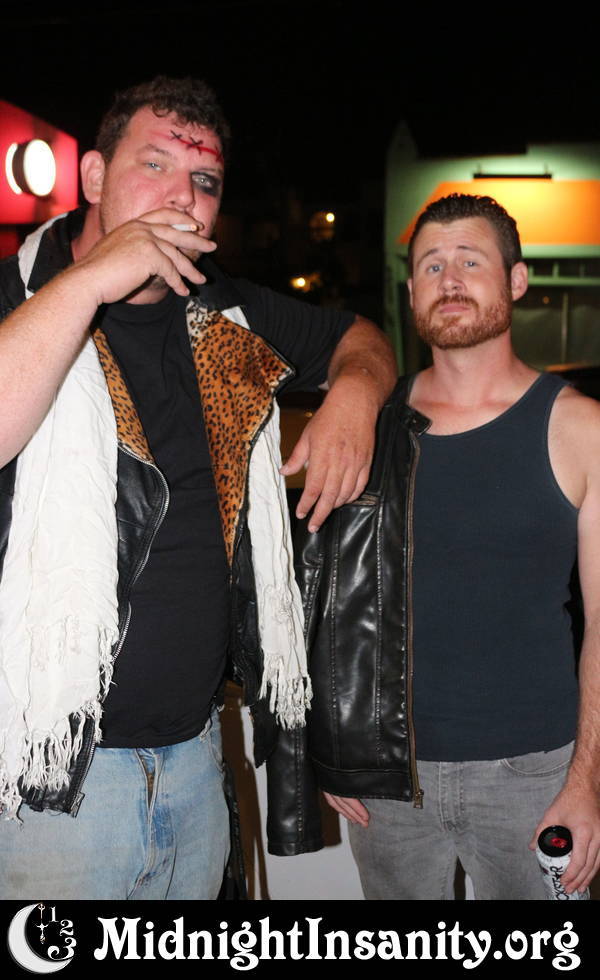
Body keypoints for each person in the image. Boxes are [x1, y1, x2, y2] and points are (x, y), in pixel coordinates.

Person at [0, 76, 396, 900]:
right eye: (154, 164)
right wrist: (92, 281)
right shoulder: (17, 296)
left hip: (194, 759)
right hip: (47, 784)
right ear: (95, 178)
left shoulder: (224, 316)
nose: (181, 196)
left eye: (204, 180)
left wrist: (356, 396)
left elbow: (362, 337)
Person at [267, 193, 600, 900]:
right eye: (431, 265)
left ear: (516, 280)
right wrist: (335, 745)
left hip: (535, 777)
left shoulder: (581, 429)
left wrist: (588, 783)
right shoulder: (367, 423)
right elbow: (316, 594)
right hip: (389, 784)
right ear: (412, 290)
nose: (449, 279)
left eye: (471, 261)